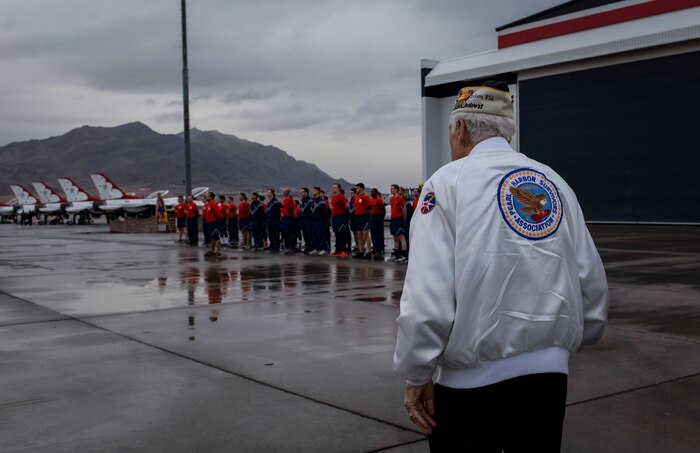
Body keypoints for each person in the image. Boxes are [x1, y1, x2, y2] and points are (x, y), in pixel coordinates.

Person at [393, 81, 609, 452]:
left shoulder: (445, 183)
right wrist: (561, 344)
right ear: (508, 130)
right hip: (548, 378)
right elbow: (589, 280)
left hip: (471, 384)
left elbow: (428, 295)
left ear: (460, 129)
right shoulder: (554, 182)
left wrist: (417, 373)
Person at [352, 183, 373, 259]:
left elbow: (370, 208)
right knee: (359, 234)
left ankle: (369, 252)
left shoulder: (365, 197)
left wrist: (369, 217)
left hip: (364, 217)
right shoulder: (356, 197)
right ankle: (360, 251)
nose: (356, 189)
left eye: (358, 188)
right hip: (357, 217)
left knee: (366, 234)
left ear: (362, 188)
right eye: (356, 188)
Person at [388, 184, 408, 262]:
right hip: (393, 220)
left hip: (399, 219)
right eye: (391, 188)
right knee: (395, 237)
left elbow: (404, 209)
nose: (391, 190)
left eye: (392, 188)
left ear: (396, 190)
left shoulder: (400, 198)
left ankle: (404, 255)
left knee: (401, 237)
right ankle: (396, 255)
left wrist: (404, 219)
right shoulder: (391, 199)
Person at [330, 183, 350, 256]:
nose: (333, 189)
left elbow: (347, 205)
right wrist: (331, 218)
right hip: (334, 218)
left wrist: (342, 212)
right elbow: (333, 208)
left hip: (341, 217)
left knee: (342, 234)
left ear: (338, 189)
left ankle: (343, 251)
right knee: (336, 234)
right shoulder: (333, 197)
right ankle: (337, 250)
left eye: (335, 187)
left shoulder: (341, 196)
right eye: (333, 187)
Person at [309, 187, 328, 255]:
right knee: (314, 235)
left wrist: (322, 219)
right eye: (313, 190)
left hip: (320, 220)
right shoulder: (313, 200)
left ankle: (324, 249)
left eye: (314, 191)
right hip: (313, 220)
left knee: (320, 235)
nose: (313, 192)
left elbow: (324, 212)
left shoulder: (321, 201)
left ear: (318, 192)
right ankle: (316, 248)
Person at [204, 192, 223, 257]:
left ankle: (218, 251)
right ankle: (212, 251)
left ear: (211, 197)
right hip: (209, 223)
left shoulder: (213, 204)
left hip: (214, 222)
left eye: (207, 196)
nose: (206, 197)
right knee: (212, 237)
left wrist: (216, 221)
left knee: (216, 237)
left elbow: (218, 214)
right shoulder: (208, 204)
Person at [369, 188, 386, 258]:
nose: (371, 193)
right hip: (372, 217)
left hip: (378, 217)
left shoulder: (379, 200)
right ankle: (375, 248)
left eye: (372, 192)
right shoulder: (371, 200)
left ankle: (380, 248)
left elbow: (383, 209)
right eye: (371, 192)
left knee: (379, 233)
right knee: (373, 233)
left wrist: (381, 216)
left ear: (376, 193)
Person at [281, 189, 296, 253]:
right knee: (285, 233)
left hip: (289, 218)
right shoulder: (284, 200)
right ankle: (286, 246)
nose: (284, 193)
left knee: (290, 232)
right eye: (283, 192)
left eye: (285, 192)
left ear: (288, 192)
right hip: (284, 218)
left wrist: (292, 217)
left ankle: (291, 246)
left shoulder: (290, 199)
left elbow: (292, 209)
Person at [300, 188, 313, 253]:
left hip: (309, 219)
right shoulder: (303, 200)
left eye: (302, 192)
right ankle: (307, 246)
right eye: (301, 192)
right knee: (304, 234)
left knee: (309, 233)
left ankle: (311, 247)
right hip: (303, 219)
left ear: (306, 192)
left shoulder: (310, 200)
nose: (301, 193)